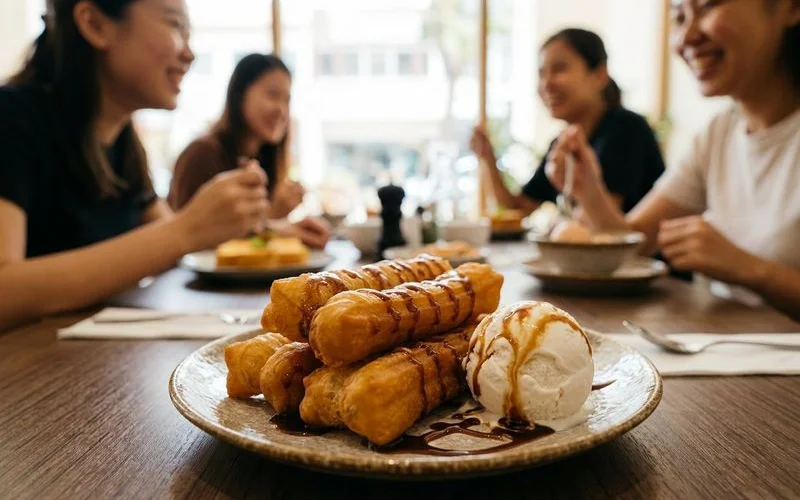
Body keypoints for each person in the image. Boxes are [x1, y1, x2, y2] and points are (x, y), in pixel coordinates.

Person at [0, 0, 284, 331]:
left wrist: (267, 229)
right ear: (95, 25)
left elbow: (170, 238)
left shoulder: (122, 142)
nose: (189, 54)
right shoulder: (12, 117)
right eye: (174, 25)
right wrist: (187, 230)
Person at [546, 0, 800, 319]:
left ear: (790, 7)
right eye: (680, 17)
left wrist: (750, 269)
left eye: (708, 6)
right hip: (727, 340)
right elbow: (636, 242)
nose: (686, 37)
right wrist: (588, 189)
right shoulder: (718, 133)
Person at [471, 28, 666, 216]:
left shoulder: (627, 129)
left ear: (599, 75)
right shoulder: (563, 144)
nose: (546, 84)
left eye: (559, 69)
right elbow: (518, 209)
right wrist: (487, 158)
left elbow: (606, 226)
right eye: (541, 73)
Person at [168, 53, 327, 248]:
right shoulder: (202, 155)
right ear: (240, 95)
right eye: (272, 95)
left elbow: (255, 234)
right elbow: (194, 243)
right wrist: (272, 215)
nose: (281, 110)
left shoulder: (263, 161)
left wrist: (284, 227)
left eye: (287, 100)